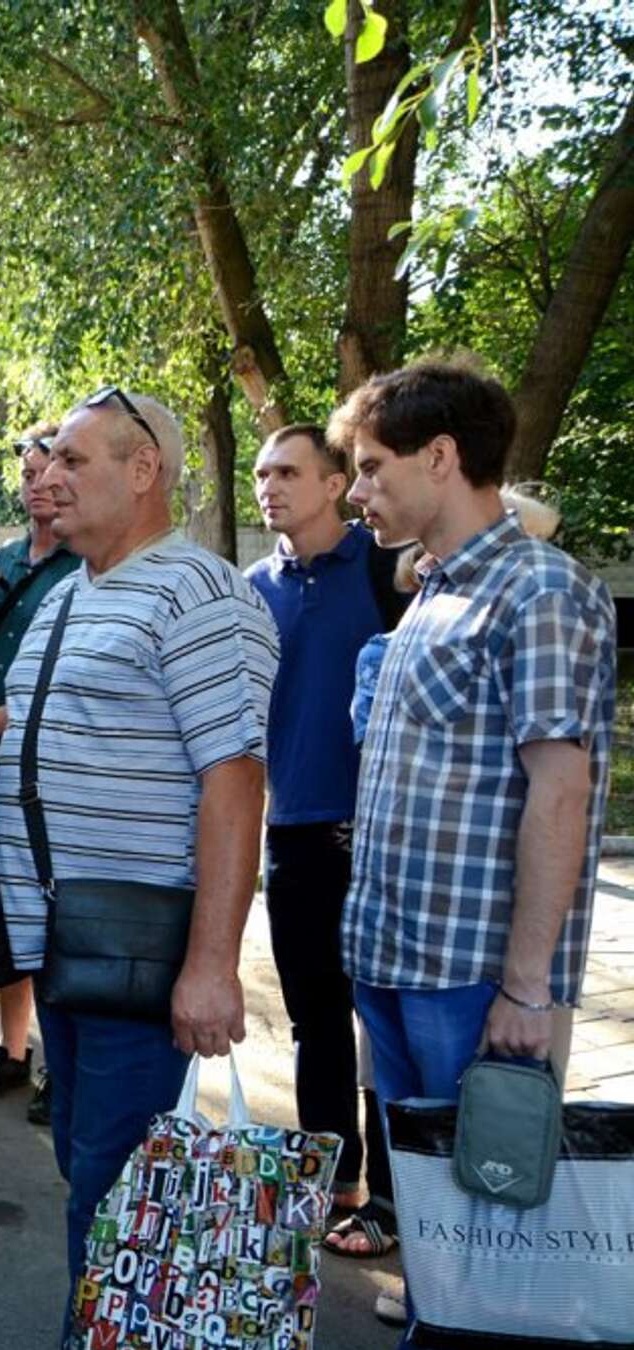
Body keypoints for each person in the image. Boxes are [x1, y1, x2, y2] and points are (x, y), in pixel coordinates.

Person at [0, 387, 278, 1350]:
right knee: (95, 1180)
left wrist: (211, 965)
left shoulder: (197, 592)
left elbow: (233, 777)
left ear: (142, 468)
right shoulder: (70, 589)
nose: (48, 476)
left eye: (73, 459)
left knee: (118, 1203)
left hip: (136, 957)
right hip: (65, 951)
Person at [335, 359, 616, 1350]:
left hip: (470, 981)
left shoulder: (537, 589)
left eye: (372, 466)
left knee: (500, 1243)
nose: (356, 490)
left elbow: (560, 792)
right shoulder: (435, 592)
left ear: (441, 456)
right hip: (395, 960)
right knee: (440, 1229)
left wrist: (526, 986)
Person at [244, 424, 406, 1259]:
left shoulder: (391, 570)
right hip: (293, 832)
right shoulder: (250, 591)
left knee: (386, 1022)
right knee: (314, 1020)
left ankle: (395, 1202)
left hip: (383, 831)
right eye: (261, 473)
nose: (268, 487)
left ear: (335, 483)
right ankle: (331, 1181)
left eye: (287, 472)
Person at [0, 424, 81, 1120]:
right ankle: (13, 1051)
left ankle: (60, 1061)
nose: (37, 485)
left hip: (47, 759)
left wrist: (2, 719)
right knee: (9, 910)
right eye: (28, 474)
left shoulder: (82, 563)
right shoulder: (4, 558)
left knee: (53, 915)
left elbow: (75, 679)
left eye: (50, 470)